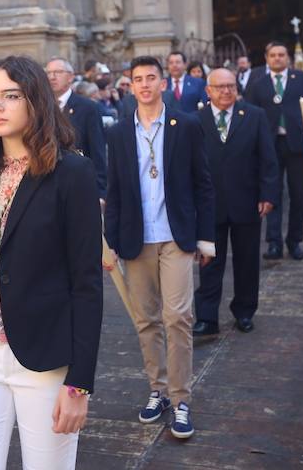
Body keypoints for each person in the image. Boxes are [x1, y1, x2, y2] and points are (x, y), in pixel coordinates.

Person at [0, 55, 103, 469]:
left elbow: (86, 283)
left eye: (10, 96)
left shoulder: (73, 173)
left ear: (35, 101)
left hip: (44, 354)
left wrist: (80, 383)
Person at [104, 55, 214, 438]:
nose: (145, 84)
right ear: (130, 86)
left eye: (152, 78)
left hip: (176, 236)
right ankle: (158, 391)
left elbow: (203, 183)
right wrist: (111, 242)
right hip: (137, 239)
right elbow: (114, 191)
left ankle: (181, 399)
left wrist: (206, 237)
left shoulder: (185, 124)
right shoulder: (118, 133)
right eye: (138, 79)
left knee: (178, 317)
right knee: (146, 320)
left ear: (163, 83)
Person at [193, 70, 278, 337]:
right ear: (208, 91)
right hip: (209, 206)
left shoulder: (254, 116)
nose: (226, 91)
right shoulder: (195, 121)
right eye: (219, 87)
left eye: (230, 86)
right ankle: (207, 318)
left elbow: (268, 159)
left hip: (247, 201)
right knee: (209, 262)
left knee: (247, 261)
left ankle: (244, 311)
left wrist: (268, 194)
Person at [245, 41, 303, 259]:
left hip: (298, 145)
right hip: (268, 147)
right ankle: (274, 242)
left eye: (281, 54)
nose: (278, 58)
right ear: (266, 57)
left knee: (298, 194)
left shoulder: (302, 79)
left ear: (288, 57)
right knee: (272, 195)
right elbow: (249, 117)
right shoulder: (257, 83)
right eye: (273, 55)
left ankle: (294, 240)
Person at [45, 57, 108, 198]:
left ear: (70, 77)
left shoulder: (88, 107)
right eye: (48, 73)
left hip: (79, 183)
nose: (52, 77)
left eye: (57, 72)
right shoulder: (41, 108)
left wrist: (100, 191)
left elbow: (97, 151)